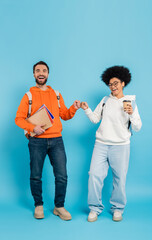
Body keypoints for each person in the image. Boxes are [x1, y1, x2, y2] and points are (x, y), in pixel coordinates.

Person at [15, 61, 80, 220]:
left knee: (62, 175)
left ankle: (59, 206)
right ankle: (38, 205)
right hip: (37, 141)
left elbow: (64, 115)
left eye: (44, 70)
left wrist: (74, 107)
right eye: (38, 71)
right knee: (36, 175)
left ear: (48, 74)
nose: (41, 73)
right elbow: (19, 119)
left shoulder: (56, 94)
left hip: (57, 140)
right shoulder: (28, 96)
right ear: (34, 74)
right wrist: (32, 128)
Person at [81, 66, 142, 222]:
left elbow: (137, 127)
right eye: (110, 84)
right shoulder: (105, 100)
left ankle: (118, 209)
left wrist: (131, 114)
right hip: (101, 144)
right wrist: (86, 109)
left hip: (121, 146)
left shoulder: (131, 102)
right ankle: (94, 208)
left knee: (119, 178)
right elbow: (95, 119)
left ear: (123, 83)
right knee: (94, 175)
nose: (113, 87)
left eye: (115, 83)